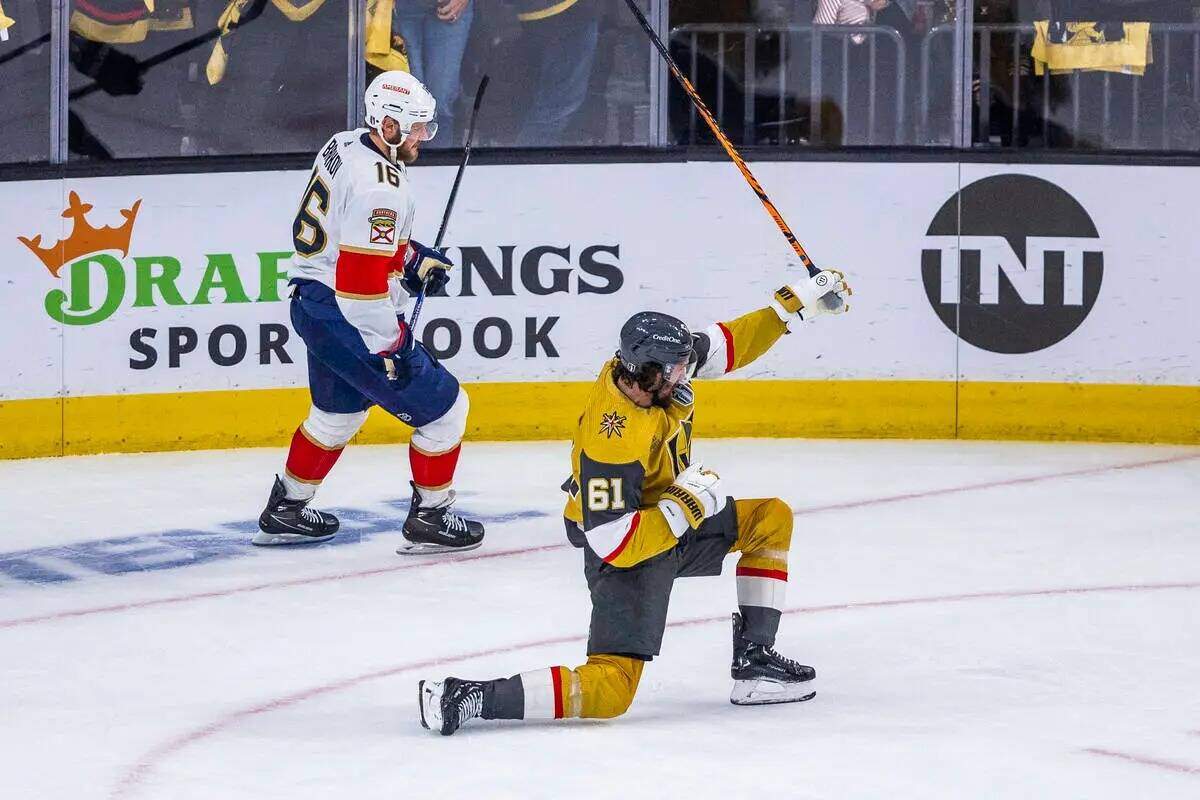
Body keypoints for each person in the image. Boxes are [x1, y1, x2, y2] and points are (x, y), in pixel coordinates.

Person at [418, 267, 853, 734]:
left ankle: (755, 662)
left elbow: (726, 345)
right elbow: (611, 541)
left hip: (662, 519)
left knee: (769, 518)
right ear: (649, 372)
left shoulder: (651, 375)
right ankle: (467, 696)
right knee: (610, 690)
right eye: (680, 369)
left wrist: (796, 301)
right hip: (625, 545)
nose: (689, 373)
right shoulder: (614, 437)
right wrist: (684, 505)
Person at [254, 70, 484, 555]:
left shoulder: (345, 143)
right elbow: (360, 288)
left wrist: (411, 257)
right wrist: (392, 346)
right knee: (446, 412)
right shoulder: (384, 190)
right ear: (389, 126)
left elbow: (349, 235)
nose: (424, 136)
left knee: (336, 414)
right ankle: (431, 514)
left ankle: (287, 509)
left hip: (313, 302)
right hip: (343, 311)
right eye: (417, 127)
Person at [394, 0, 474, 144]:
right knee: (406, 99)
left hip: (449, 6)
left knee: (441, 101)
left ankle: (438, 162)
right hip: (401, 7)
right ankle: (403, 163)